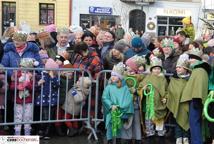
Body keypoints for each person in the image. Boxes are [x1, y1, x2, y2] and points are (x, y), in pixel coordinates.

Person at [181, 47, 211, 144]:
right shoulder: (199, 69)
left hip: (195, 99)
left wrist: (197, 98)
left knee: (194, 123)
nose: (190, 60)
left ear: (197, 60)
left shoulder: (199, 70)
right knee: (195, 123)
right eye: (189, 58)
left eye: (192, 58)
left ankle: (197, 142)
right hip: (196, 98)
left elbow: (199, 86)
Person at [102, 62, 134, 144]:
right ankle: (109, 140)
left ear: (120, 77)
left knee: (119, 125)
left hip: (120, 111)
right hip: (111, 110)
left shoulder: (125, 88)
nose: (113, 77)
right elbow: (105, 97)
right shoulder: (108, 87)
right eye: (112, 75)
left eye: (115, 75)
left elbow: (128, 99)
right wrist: (111, 105)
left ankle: (118, 139)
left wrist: (120, 107)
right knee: (109, 125)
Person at [138, 57, 168, 138]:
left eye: (158, 69)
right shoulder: (147, 78)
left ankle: (160, 134)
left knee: (159, 120)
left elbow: (166, 90)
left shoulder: (163, 79)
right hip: (149, 104)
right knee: (149, 120)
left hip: (159, 103)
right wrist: (143, 89)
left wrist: (165, 97)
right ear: (151, 70)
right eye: (154, 69)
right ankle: (150, 133)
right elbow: (140, 88)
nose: (156, 70)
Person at [166, 53, 191, 144]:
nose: (177, 69)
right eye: (177, 67)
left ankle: (186, 137)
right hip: (176, 103)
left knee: (186, 119)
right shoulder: (174, 79)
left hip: (186, 103)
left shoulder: (190, 79)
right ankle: (178, 136)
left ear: (186, 69)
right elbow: (170, 90)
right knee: (177, 119)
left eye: (179, 67)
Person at [34, 58, 60, 140]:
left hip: (52, 100)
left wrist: (52, 76)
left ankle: (47, 132)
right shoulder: (42, 76)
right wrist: (38, 83)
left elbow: (57, 85)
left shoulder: (55, 77)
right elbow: (36, 87)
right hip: (44, 99)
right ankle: (42, 131)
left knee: (50, 117)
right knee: (44, 116)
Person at [10, 58, 35, 135]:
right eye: (21, 66)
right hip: (18, 100)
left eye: (25, 67)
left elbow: (33, 88)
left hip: (28, 100)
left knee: (28, 117)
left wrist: (28, 84)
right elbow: (11, 86)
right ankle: (17, 133)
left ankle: (27, 133)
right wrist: (17, 87)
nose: (22, 68)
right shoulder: (16, 75)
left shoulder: (31, 76)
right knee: (18, 117)